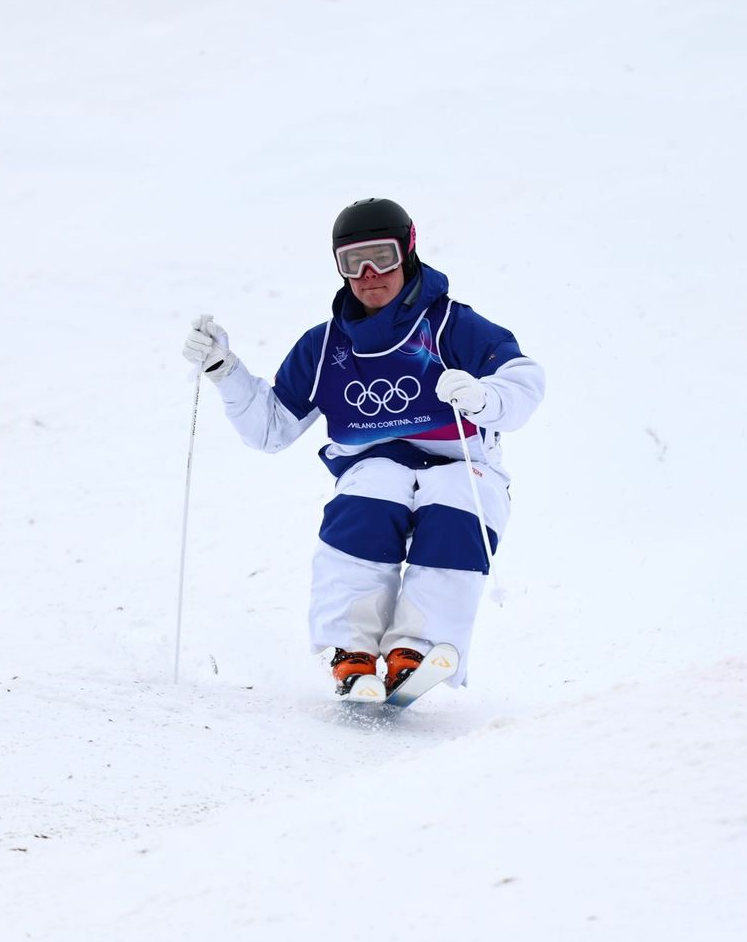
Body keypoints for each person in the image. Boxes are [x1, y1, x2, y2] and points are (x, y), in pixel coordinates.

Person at [181, 198, 545, 698]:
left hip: (461, 463)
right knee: (372, 492)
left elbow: (524, 380)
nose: (370, 274)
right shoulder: (327, 345)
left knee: (456, 502)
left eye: (383, 257)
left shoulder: (450, 326)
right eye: (353, 262)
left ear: (408, 252)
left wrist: (485, 398)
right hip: (374, 465)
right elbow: (270, 429)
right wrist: (225, 373)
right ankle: (350, 649)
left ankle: (416, 648)